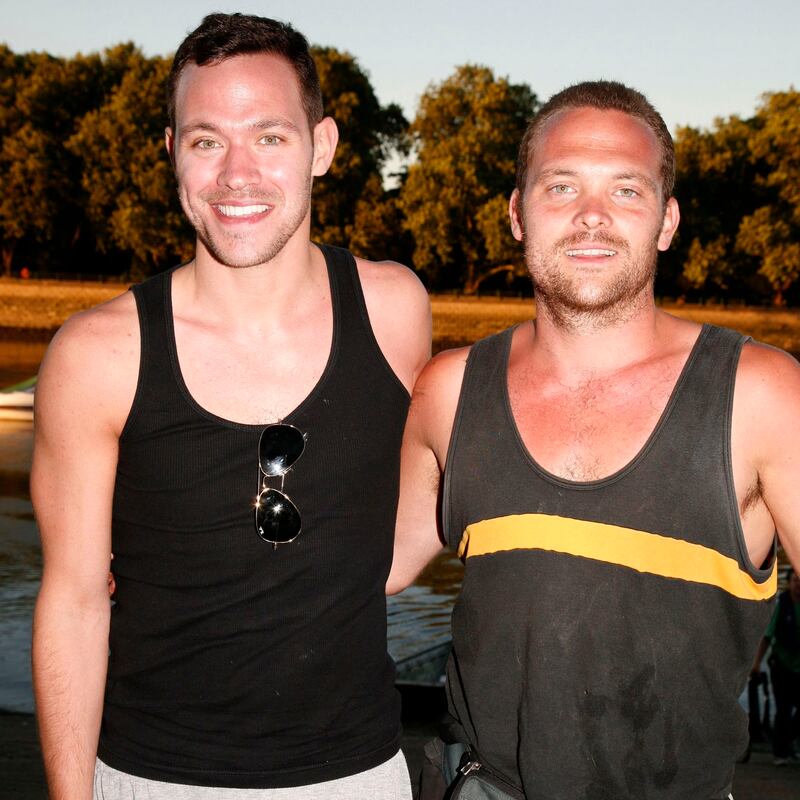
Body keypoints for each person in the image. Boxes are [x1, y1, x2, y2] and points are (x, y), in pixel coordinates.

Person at [32, 13, 430, 800]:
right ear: (173, 151)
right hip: (148, 775)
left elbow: (413, 508)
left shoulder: (394, 309)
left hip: (357, 775)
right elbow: (74, 600)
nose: (236, 174)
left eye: (270, 138)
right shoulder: (96, 354)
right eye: (207, 140)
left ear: (322, 147)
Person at [388, 80, 800, 799]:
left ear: (667, 221)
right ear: (517, 213)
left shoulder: (763, 395)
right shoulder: (449, 390)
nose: (590, 218)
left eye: (626, 192)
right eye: (561, 187)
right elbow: (374, 565)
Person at [752, 567, 800, 765]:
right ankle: (780, 752)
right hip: (781, 664)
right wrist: (756, 664)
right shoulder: (781, 605)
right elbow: (767, 636)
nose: (798, 585)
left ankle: (788, 743)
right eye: (795, 580)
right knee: (783, 707)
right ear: (789, 583)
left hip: (799, 666)